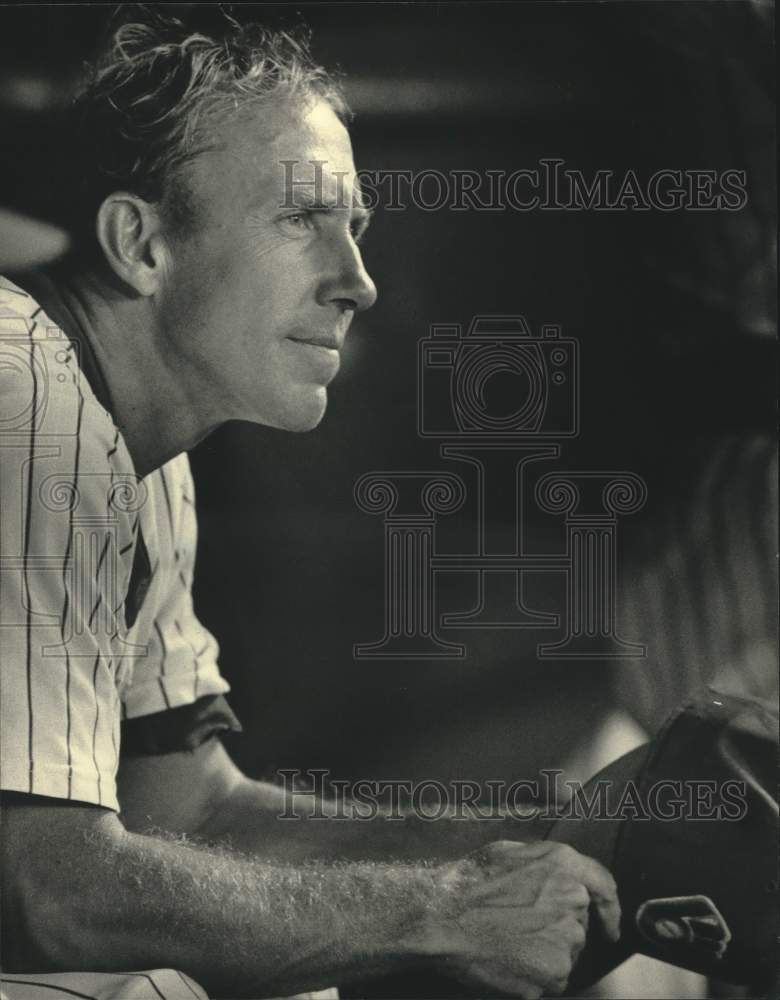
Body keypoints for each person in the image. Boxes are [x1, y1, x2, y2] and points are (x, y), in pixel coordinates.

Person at [0, 15, 622, 1000]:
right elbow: (42, 889)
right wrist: (441, 910)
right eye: (302, 220)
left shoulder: (142, 445)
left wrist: (528, 834)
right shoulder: (26, 400)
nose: (359, 283)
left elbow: (193, 810)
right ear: (143, 241)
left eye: (357, 230)